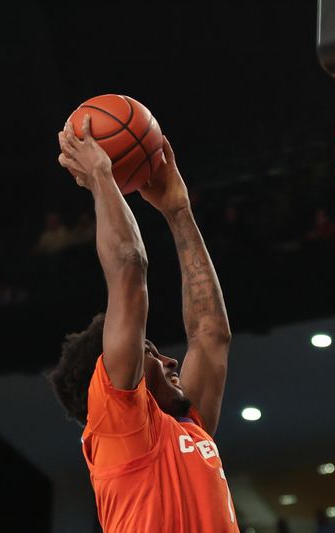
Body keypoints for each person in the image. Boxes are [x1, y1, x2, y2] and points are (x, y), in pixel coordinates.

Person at [49, 116, 236, 533]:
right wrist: (101, 177)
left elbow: (210, 334)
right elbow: (129, 267)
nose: (171, 360)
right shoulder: (119, 422)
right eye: (149, 351)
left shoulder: (189, 427)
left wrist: (178, 210)